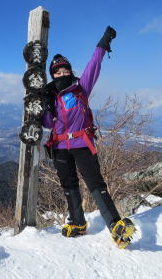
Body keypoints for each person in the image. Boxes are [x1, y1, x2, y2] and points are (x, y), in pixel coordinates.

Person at [41, 26, 135, 248]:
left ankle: (115, 225)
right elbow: (47, 123)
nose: (62, 75)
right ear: (52, 75)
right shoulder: (51, 97)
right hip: (60, 146)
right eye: (57, 72)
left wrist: (102, 45)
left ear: (70, 72)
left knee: (95, 183)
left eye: (65, 71)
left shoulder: (80, 88)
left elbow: (94, 65)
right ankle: (78, 222)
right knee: (68, 184)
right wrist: (42, 107)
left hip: (81, 143)